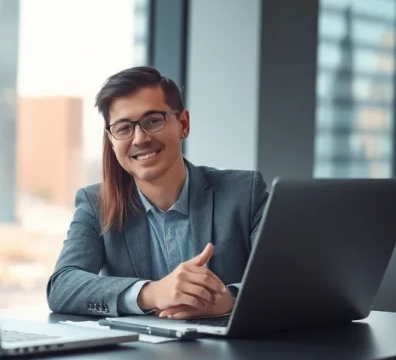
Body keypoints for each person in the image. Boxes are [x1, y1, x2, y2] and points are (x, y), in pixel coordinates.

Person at [46, 66, 268, 319]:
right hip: (137, 345)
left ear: (183, 124)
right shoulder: (96, 204)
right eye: (123, 128)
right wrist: (152, 293)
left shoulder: (244, 193)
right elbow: (62, 287)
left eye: (153, 121)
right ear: (111, 140)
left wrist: (230, 300)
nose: (140, 139)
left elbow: (285, 278)